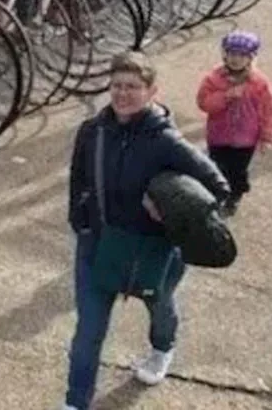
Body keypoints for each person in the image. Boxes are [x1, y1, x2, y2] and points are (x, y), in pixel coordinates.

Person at [62, 51, 231, 410]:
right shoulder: (93, 132)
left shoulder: (166, 141)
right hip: (99, 246)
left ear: (152, 91)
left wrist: (170, 207)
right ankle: (75, 403)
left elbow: (219, 188)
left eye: (134, 87)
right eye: (117, 85)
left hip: (152, 251)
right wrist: (82, 225)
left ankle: (162, 349)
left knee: (161, 308)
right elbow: (78, 182)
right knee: (88, 332)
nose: (123, 94)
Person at [195, 31, 272, 217]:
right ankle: (217, 193)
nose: (236, 59)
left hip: (245, 139)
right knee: (217, 166)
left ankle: (235, 194)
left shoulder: (259, 83)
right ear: (225, 54)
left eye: (242, 55)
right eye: (232, 53)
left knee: (238, 170)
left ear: (251, 58)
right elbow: (204, 103)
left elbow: (268, 111)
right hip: (218, 136)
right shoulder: (213, 79)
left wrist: (266, 137)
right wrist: (225, 96)